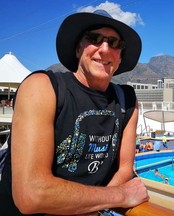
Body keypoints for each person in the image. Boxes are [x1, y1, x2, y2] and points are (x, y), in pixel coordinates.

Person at [0, 9, 149, 215]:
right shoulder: (43, 88)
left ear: (120, 56)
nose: (104, 49)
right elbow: (32, 194)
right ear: (78, 49)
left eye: (114, 43)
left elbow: (125, 168)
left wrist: (92, 205)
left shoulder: (127, 100)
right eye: (95, 38)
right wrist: (119, 196)